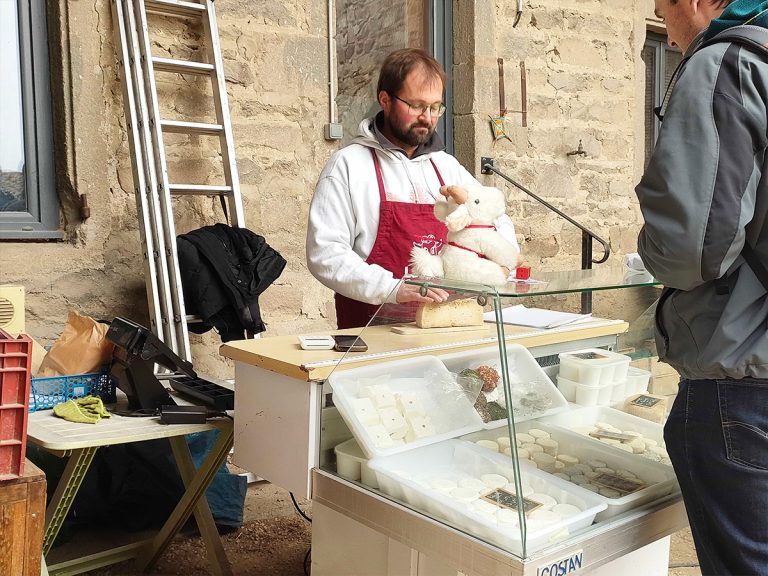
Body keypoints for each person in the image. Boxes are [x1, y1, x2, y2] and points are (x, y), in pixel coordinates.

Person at [635, 1, 768, 574]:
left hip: (744, 383)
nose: (667, 36)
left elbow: (691, 251)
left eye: (666, 14)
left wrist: (649, 248)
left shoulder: (729, 62)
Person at [307, 48, 518, 329]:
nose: (427, 118)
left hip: (443, 326)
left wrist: (502, 263)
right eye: (416, 106)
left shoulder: (446, 166)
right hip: (371, 332)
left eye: (435, 108)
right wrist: (392, 289)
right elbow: (326, 253)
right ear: (385, 100)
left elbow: (495, 219)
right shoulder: (348, 166)